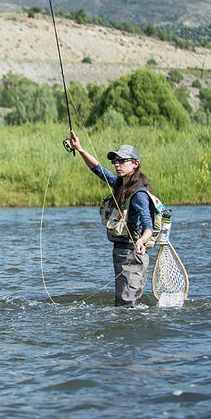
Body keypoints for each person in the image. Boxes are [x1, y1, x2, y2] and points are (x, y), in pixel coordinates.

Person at [67, 131, 153, 307]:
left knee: (126, 307)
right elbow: (98, 169)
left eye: (122, 161)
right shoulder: (120, 185)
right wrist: (80, 149)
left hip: (132, 254)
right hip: (121, 253)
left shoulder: (139, 194)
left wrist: (142, 241)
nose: (117, 165)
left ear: (135, 164)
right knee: (124, 305)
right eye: (115, 161)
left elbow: (148, 226)